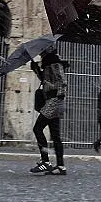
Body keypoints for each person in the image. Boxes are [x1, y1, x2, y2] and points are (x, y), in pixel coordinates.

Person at [29, 47, 68, 175]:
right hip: (53, 101)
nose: (40, 54)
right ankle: (61, 167)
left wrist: (54, 93)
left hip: (54, 101)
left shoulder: (54, 63)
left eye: (41, 52)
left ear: (46, 52)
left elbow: (62, 82)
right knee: (55, 135)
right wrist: (36, 70)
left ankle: (45, 162)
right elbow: (46, 80)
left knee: (37, 129)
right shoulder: (48, 64)